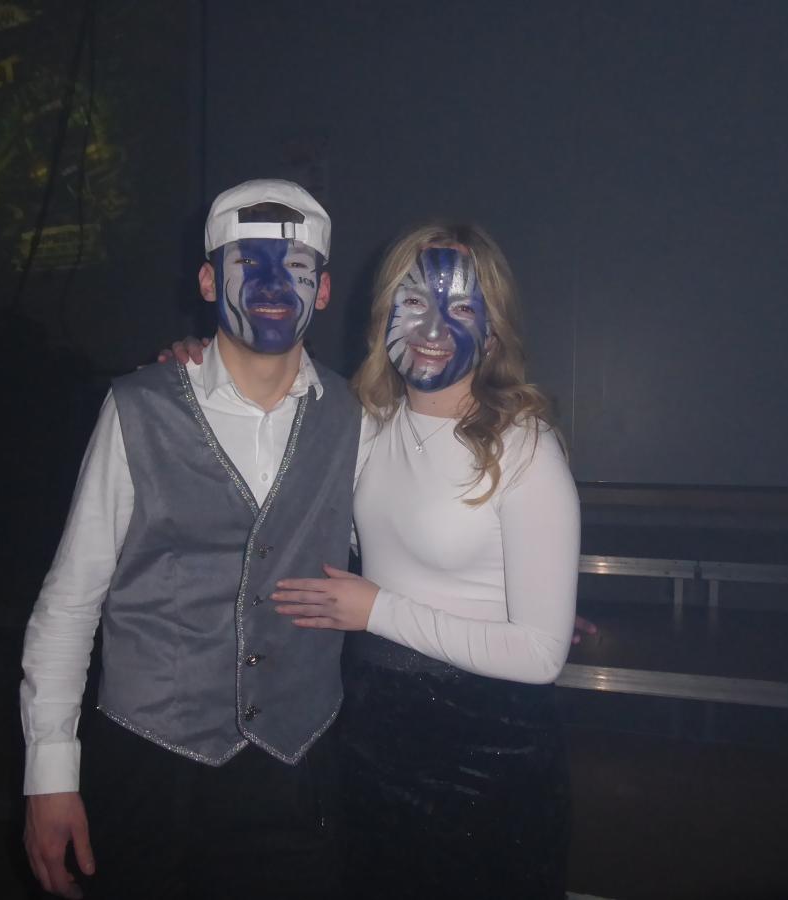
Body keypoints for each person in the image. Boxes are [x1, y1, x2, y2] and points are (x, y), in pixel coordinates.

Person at [19, 179, 365, 899]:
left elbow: (412, 539)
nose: (272, 286)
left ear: (324, 290)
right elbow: (71, 599)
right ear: (209, 282)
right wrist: (50, 774)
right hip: (151, 764)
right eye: (248, 264)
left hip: (297, 766)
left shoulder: (356, 417)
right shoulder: (137, 406)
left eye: (296, 268)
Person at [269, 223, 580, 899]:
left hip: (490, 746)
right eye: (414, 302)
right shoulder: (362, 424)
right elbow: (257, 395)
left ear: (492, 332)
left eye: (460, 306)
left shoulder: (524, 448)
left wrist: (377, 609)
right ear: (386, 314)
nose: (433, 327)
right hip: (372, 730)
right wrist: (193, 358)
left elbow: (540, 655)